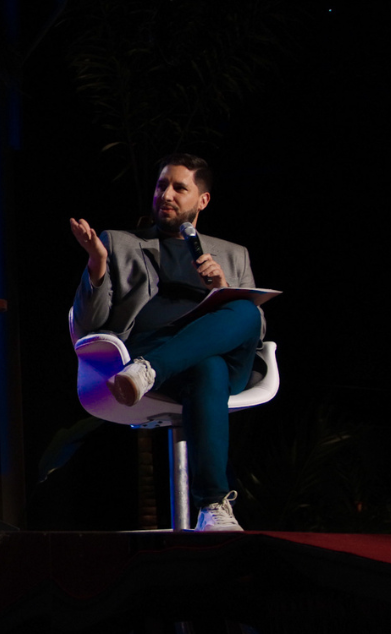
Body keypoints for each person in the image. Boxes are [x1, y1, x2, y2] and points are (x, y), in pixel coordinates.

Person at [70, 154, 265, 531]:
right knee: (208, 367)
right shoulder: (120, 244)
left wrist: (224, 289)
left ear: (202, 201)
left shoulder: (233, 253)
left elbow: (253, 332)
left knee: (247, 311)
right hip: (156, 353)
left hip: (195, 364)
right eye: (162, 186)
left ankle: (151, 369)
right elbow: (90, 327)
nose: (167, 195)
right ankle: (213, 507)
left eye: (179, 188)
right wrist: (96, 264)